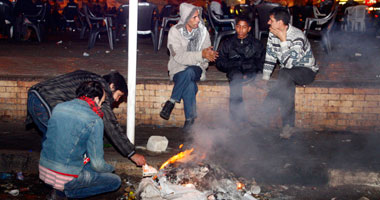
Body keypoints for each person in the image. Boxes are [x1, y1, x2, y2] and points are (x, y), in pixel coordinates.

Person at [27, 70, 146, 166]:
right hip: (46, 103)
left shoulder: (92, 78)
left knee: (52, 140)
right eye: (118, 95)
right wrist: (131, 154)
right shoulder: (100, 90)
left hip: (36, 95)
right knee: (62, 144)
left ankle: (50, 175)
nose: (116, 100)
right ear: (112, 85)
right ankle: (60, 185)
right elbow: (111, 125)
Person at [39, 81, 120, 199]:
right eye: (101, 102)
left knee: (87, 161)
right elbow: (98, 165)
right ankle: (64, 194)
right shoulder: (95, 119)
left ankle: (58, 192)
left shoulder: (59, 107)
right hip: (64, 176)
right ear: (96, 99)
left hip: (44, 169)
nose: (101, 106)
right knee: (115, 181)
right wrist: (110, 169)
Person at [159, 2, 218, 131]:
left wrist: (206, 56)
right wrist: (201, 54)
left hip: (196, 68)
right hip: (177, 68)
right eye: (194, 17)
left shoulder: (203, 32)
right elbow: (178, 56)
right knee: (190, 85)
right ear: (186, 18)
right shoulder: (175, 32)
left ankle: (172, 101)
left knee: (191, 71)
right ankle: (190, 121)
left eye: (198, 16)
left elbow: (206, 56)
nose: (198, 20)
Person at [261, 7, 319, 138]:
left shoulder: (297, 36)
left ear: (280, 22)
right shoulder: (272, 34)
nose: (268, 23)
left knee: (285, 73)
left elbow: (289, 64)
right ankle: (287, 125)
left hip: (306, 71)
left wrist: (283, 40)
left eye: (271, 20)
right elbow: (270, 56)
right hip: (287, 72)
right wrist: (265, 77)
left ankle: (266, 110)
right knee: (285, 81)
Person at [216, 16, 265, 122]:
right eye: (238, 26)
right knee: (236, 80)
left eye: (244, 27)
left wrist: (255, 72)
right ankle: (236, 117)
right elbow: (220, 61)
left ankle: (256, 118)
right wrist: (232, 65)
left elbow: (261, 61)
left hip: (250, 71)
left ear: (249, 29)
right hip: (234, 71)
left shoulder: (256, 44)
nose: (241, 30)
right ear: (235, 27)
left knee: (256, 86)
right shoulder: (228, 43)